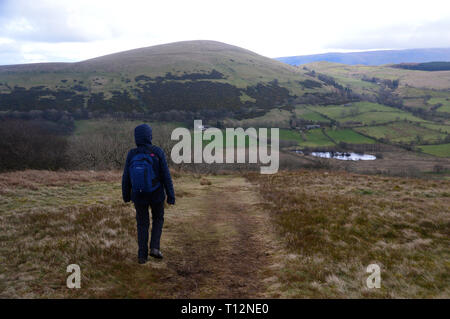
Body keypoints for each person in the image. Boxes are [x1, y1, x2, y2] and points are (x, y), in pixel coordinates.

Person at [122, 124, 175, 264]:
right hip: (156, 193)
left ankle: (142, 256)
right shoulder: (157, 152)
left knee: (142, 224)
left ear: (136, 137)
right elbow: (166, 175)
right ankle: (155, 248)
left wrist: (126, 195)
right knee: (158, 219)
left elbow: (126, 176)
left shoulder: (132, 153)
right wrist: (171, 195)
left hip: (138, 195)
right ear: (149, 136)